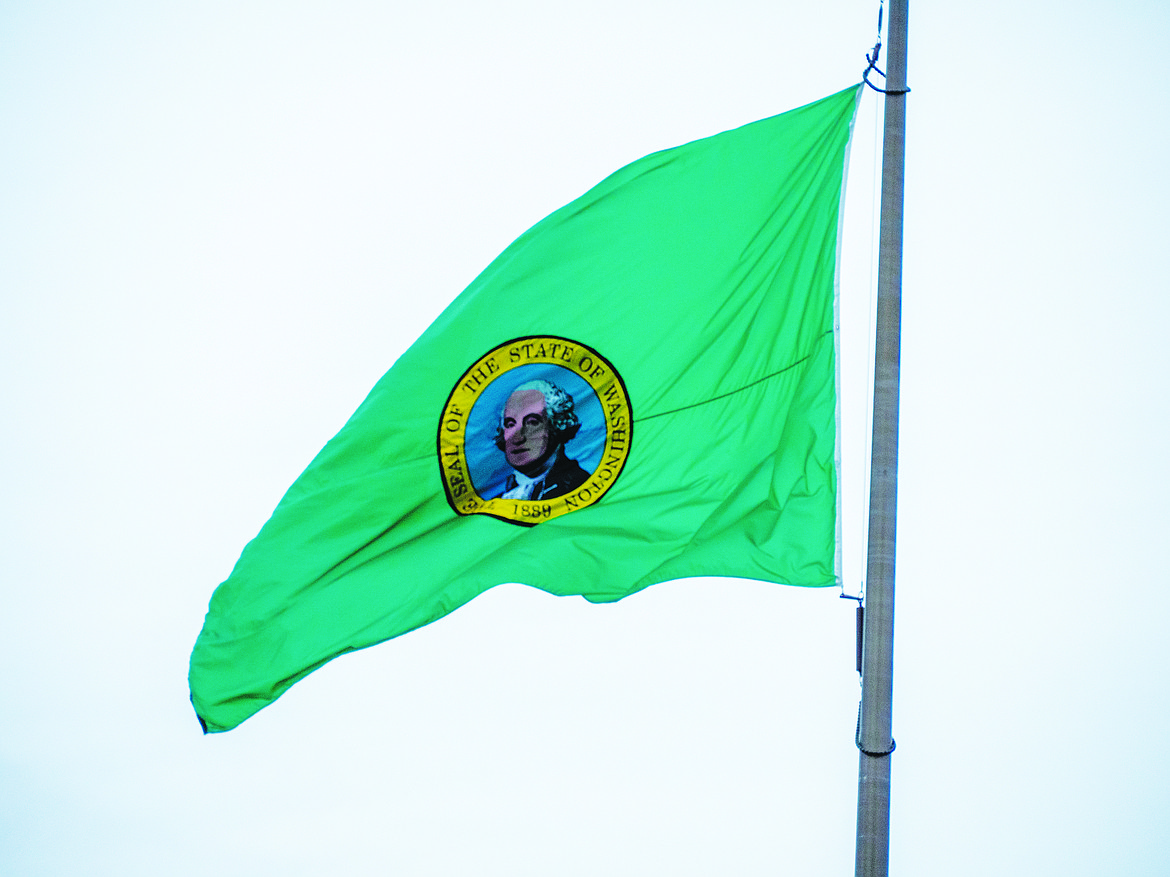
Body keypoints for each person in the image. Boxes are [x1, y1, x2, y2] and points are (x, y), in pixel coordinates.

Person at [491, 378, 589, 501]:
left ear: (557, 425)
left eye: (532, 423)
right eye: (510, 424)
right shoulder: (495, 497)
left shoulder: (581, 487)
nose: (518, 437)